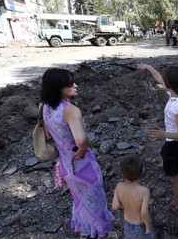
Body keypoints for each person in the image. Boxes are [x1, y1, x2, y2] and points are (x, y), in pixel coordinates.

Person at [40, 68, 114, 238]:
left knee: (80, 201)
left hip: (66, 166)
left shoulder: (46, 108)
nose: (75, 85)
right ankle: (100, 234)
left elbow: (48, 134)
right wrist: (81, 150)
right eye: (70, 83)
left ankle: (85, 231)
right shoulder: (71, 110)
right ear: (59, 87)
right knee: (96, 203)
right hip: (83, 166)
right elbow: (81, 140)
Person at [136, 63, 178, 215]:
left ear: (169, 84)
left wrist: (163, 134)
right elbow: (159, 79)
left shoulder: (175, 107)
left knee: (176, 180)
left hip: (176, 145)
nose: (162, 81)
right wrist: (148, 67)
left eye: (165, 80)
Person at [112, 154, 154, 239]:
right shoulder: (144, 191)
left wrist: (117, 194)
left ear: (122, 173)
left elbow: (115, 206)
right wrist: (148, 227)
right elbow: (144, 213)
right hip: (140, 225)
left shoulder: (119, 186)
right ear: (142, 171)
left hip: (127, 223)